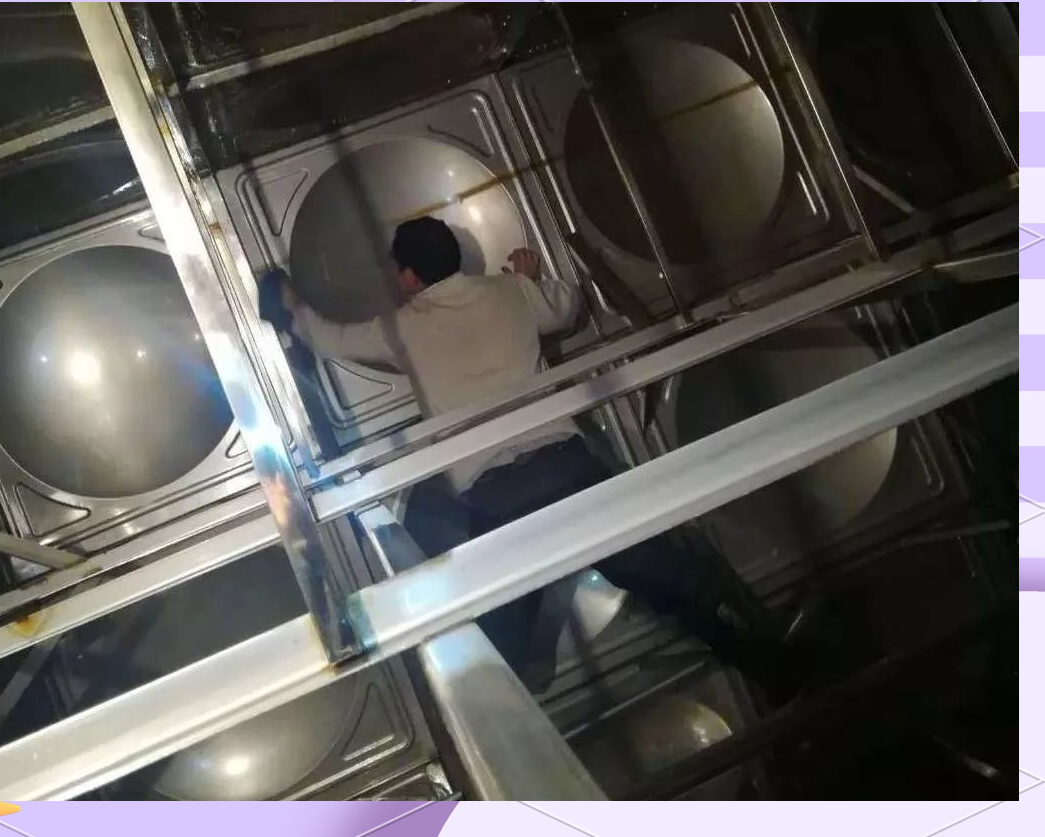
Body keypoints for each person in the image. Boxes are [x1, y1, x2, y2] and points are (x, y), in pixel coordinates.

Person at [260, 217, 808, 704]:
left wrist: (288, 302)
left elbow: (329, 338)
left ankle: (498, 729)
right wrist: (528, 275)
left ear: (408, 276)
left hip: (495, 496)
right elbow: (567, 305)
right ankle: (766, 661)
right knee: (661, 577)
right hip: (565, 466)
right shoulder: (510, 292)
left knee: (502, 638)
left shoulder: (400, 328)